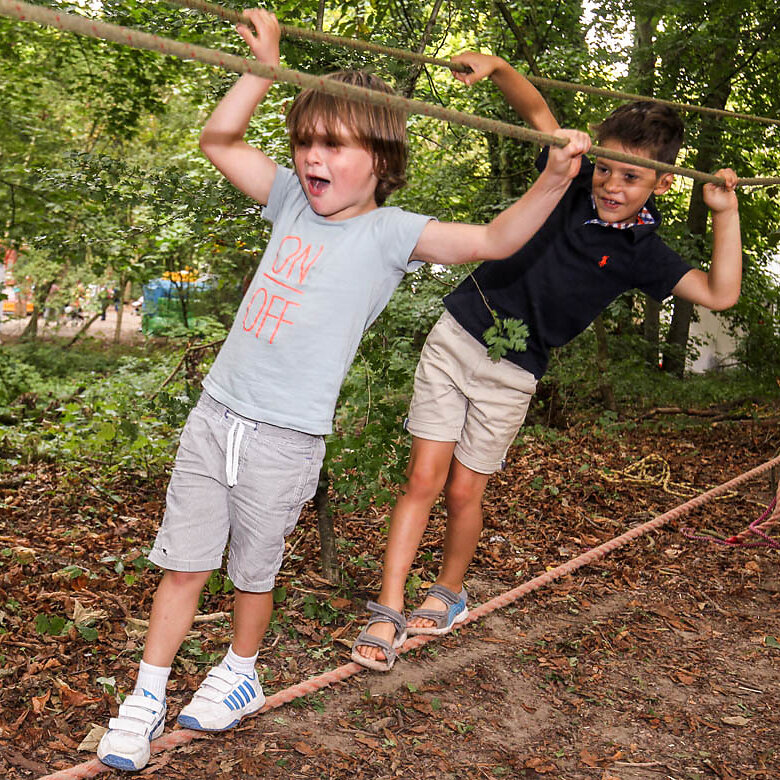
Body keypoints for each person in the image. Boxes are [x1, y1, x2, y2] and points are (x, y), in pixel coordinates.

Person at [96, 13, 589, 772]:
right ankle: (145, 694)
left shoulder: (391, 233)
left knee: (253, 571)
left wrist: (555, 178)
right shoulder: (291, 199)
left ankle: (240, 672)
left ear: (381, 159)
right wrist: (262, 69)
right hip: (217, 413)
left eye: (333, 144)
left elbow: (493, 240)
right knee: (183, 563)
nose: (311, 156)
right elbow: (219, 142)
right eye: (305, 141)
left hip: (287, 434)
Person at [353, 52, 742, 671]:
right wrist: (497, 67)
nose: (612, 185)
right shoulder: (569, 184)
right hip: (460, 334)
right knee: (424, 478)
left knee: (464, 489)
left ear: (662, 184)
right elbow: (538, 113)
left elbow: (720, 294)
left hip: (516, 371)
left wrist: (726, 214)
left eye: (631, 177)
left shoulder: (645, 253)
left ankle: (447, 591)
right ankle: (389, 604)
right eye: (606, 168)